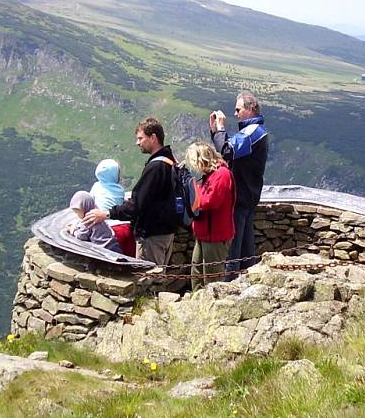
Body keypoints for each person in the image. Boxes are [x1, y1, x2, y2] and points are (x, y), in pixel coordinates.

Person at [84, 118, 177, 265]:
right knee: (159, 277)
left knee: (148, 280)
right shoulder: (170, 160)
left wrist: (106, 214)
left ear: (153, 138)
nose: (137, 142)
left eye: (140, 138)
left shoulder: (155, 167)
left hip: (152, 234)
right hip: (167, 231)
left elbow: (136, 205)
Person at [210, 90, 268, 279]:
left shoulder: (252, 132)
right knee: (245, 249)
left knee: (233, 250)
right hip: (248, 196)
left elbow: (227, 151)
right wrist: (215, 132)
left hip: (241, 197)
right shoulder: (253, 131)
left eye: (238, 109)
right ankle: (246, 280)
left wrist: (220, 129)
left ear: (250, 109)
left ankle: (229, 285)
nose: (235, 114)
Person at [184, 142, 236, 289]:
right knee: (197, 271)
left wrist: (192, 193)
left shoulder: (222, 175)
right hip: (204, 233)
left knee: (212, 278)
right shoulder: (210, 175)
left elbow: (209, 201)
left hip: (216, 236)